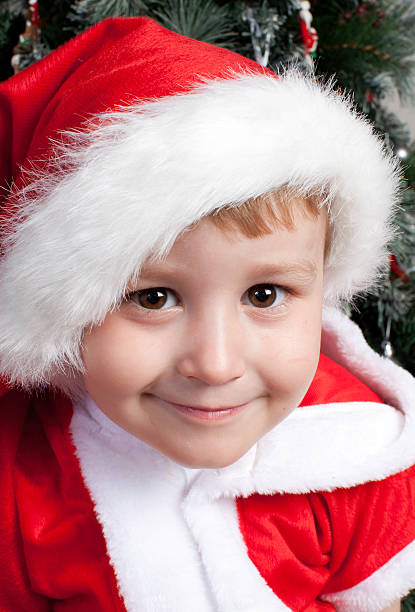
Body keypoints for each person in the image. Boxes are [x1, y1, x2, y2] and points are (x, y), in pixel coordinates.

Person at [0, 16, 414, 612]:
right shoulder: (26, 481)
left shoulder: (358, 453)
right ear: (67, 307)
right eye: (153, 298)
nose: (216, 365)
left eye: (264, 294)